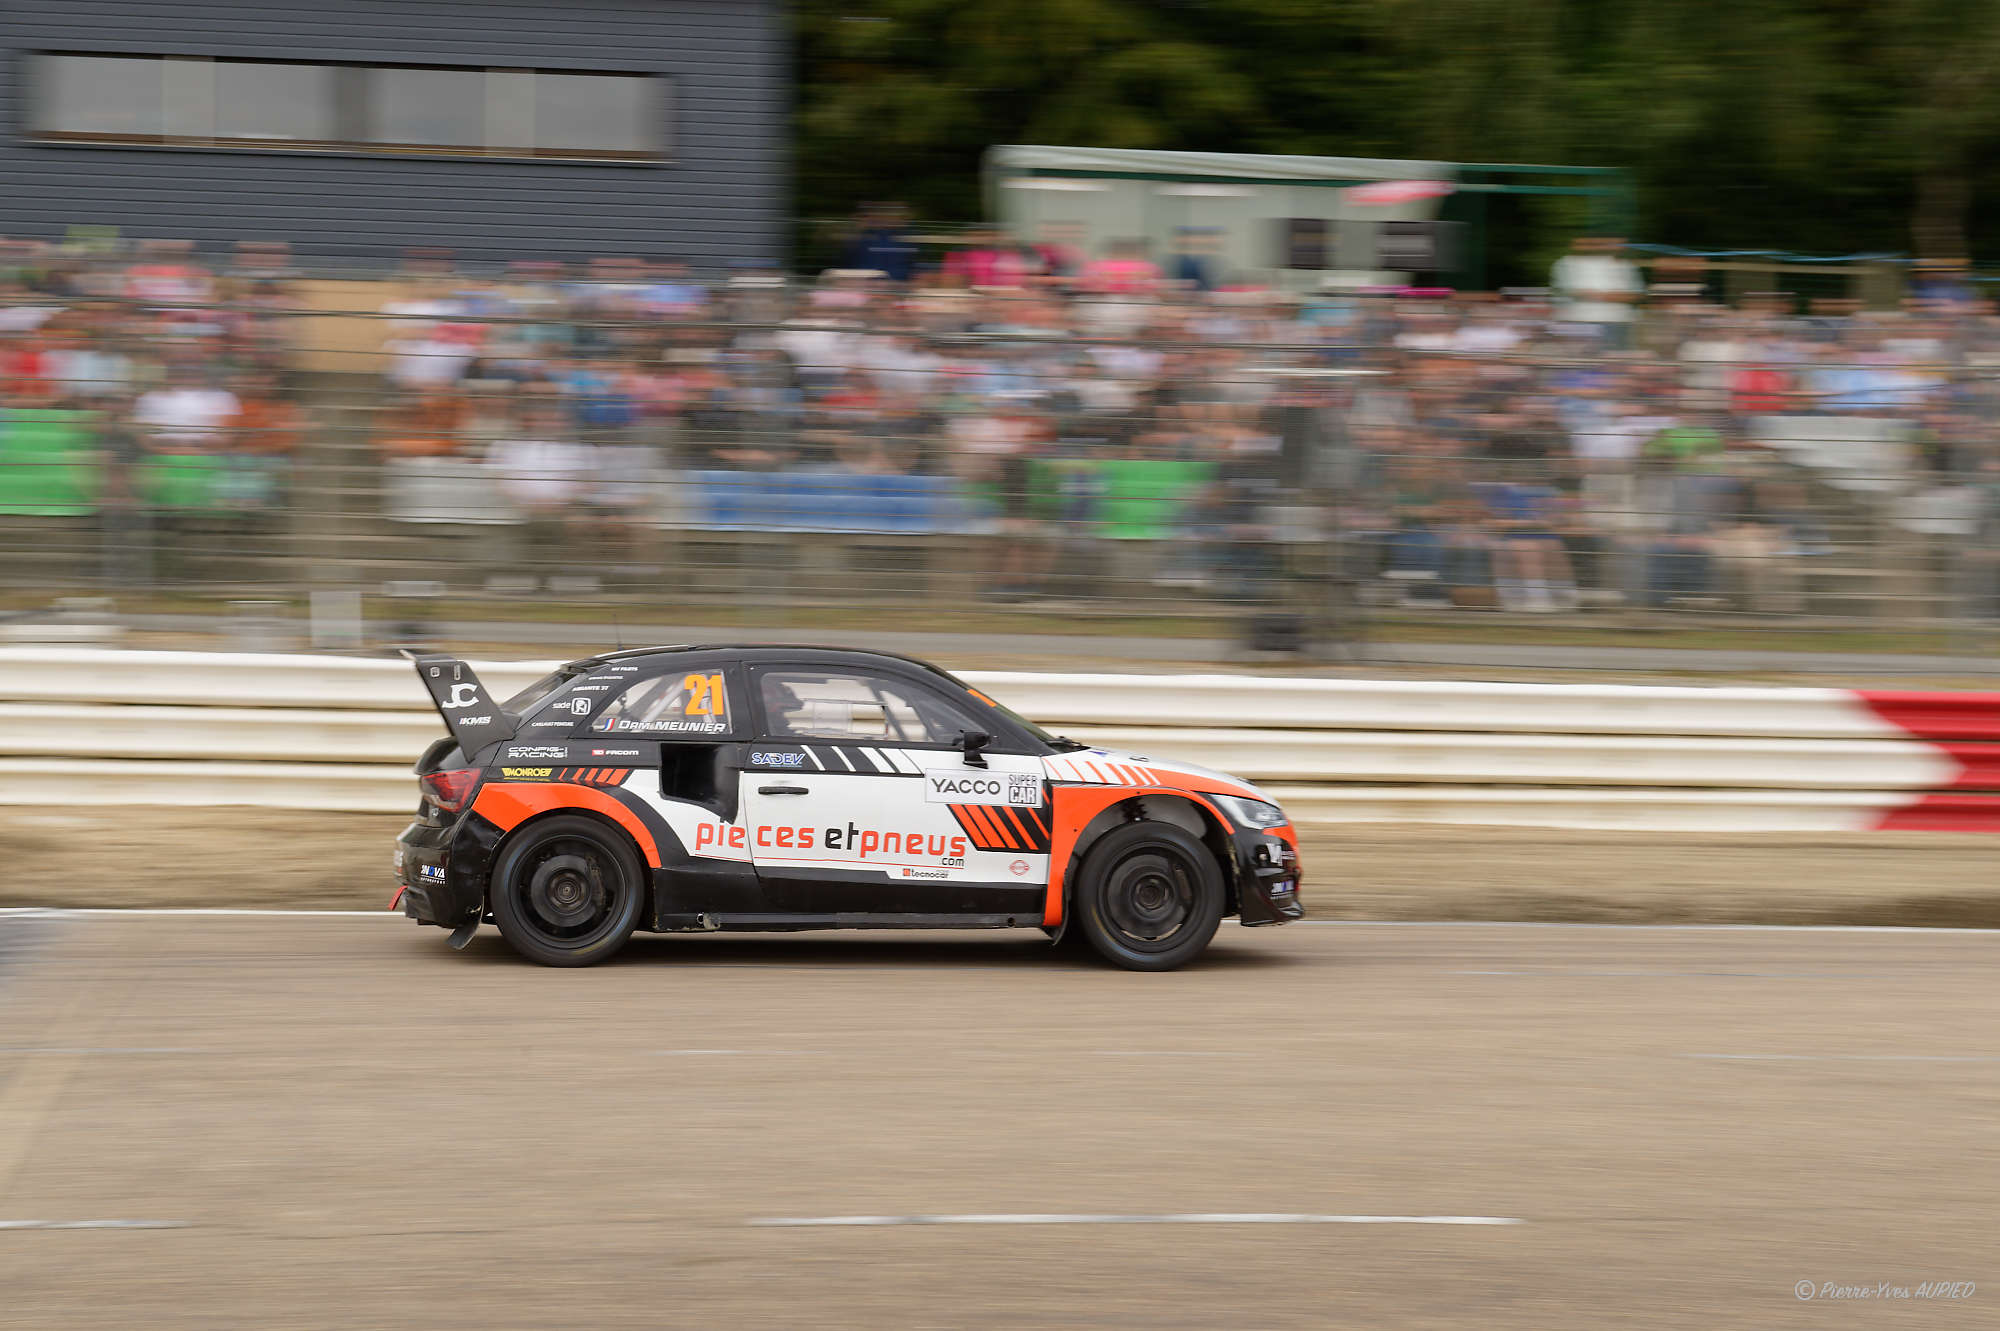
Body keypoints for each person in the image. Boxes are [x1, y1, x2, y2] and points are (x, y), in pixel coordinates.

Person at [1550, 236, 1642, 351]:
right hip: (1579, 323)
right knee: (1581, 360)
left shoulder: (1626, 265)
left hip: (1618, 323)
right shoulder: (1566, 263)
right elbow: (1574, 292)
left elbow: (1635, 295)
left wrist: (1597, 295)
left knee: (1615, 361)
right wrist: (1612, 296)